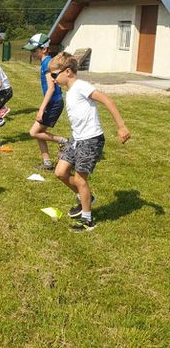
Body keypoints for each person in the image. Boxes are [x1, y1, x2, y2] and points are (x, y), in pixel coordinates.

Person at [49, 51, 131, 231]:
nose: (52, 78)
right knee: (60, 172)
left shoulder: (81, 86)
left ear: (68, 71)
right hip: (77, 140)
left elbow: (107, 101)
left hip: (91, 140)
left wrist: (121, 126)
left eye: (54, 74)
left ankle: (87, 220)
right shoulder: (70, 91)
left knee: (80, 179)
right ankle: (86, 197)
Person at [24, 32, 67, 171]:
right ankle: (47, 162)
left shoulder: (47, 64)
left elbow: (51, 89)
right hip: (52, 102)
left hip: (54, 102)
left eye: (34, 50)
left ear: (44, 49)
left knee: (33, 132)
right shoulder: (46, 62)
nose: (32, 53)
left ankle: (64, 141)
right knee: (40, 132)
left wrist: (41, 109)